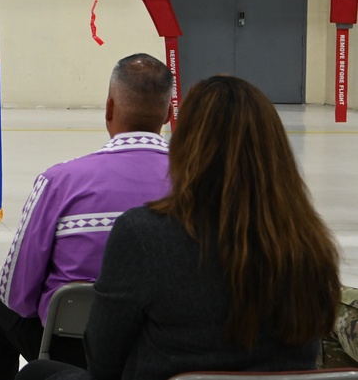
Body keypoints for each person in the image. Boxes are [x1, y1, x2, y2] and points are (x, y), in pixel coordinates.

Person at [20, 75, 341, 380]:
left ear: (188, 145)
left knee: (36, 372)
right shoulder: (309, 241)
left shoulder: (145, 233)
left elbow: (103, 361)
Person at [0, 53, 174, 380]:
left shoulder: (61, 182)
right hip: (167, 351)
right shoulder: (201, 182)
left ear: (109, 109)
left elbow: (15, 295)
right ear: (166, 114)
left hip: (73, 352)